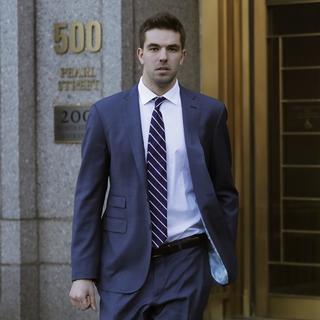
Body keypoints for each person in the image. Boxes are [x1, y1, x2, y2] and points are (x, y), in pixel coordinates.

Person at [69, 12, 238, 319]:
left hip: (186, 262)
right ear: (140, 54)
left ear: (183, 56)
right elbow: (88, 198)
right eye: (155, 48)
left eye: (172, 49)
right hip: (122, 263)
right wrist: (83, 272)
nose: (163, 57)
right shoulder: (106, 114)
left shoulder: (209, 114)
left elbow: (224, 191)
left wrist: (217, 254)